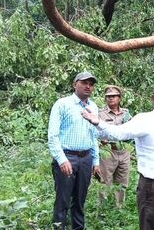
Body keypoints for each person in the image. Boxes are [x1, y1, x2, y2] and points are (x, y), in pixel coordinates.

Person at [82, 82, 154, 230]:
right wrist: (97, 122)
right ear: (153, 98)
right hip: (153, 188)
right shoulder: (144, 120)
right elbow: (118, 133)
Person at [47, 71, 101, 230]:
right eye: (84, 83)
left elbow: (94, 135)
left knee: (79, 200)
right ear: (74, 84)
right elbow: (53, 135)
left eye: (91, 84)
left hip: (85, 158)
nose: (88, 86)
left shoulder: (93, 106)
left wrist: (95, 160)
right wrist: (61, 159)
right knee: (62, 200)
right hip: (67, 156)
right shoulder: (62, 104)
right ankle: (59, 227)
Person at [97, 85, 133, 208]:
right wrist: (101, 139)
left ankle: (119, 208)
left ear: (119, 98)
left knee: (122, 182)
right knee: (104, 181)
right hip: (108, 151)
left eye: (113, 96)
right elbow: (95, 131)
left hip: (124, 152)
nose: (110, 98)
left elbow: (131, 131)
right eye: (108, 96)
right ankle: (103, 209)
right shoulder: (100, 114)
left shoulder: (126, 114)